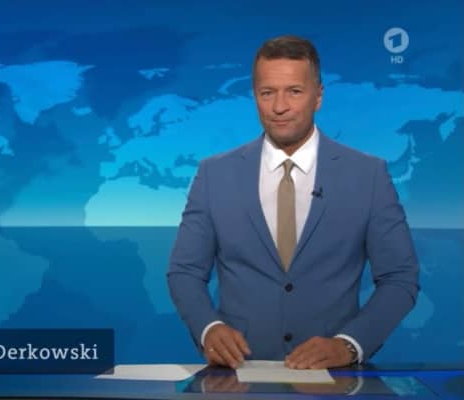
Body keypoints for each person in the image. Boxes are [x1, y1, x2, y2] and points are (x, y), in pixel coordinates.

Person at [167, 35, 419, 370]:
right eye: (267, 93)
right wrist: (208, 328)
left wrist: (349, 345)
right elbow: (184, 271)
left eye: (294, 92)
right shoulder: (214, 174)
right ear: (254, 96)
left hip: (332, 378)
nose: (279, 107)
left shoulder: (368, 175)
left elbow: (399, 278)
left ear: (318, 96)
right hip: (239, 374)